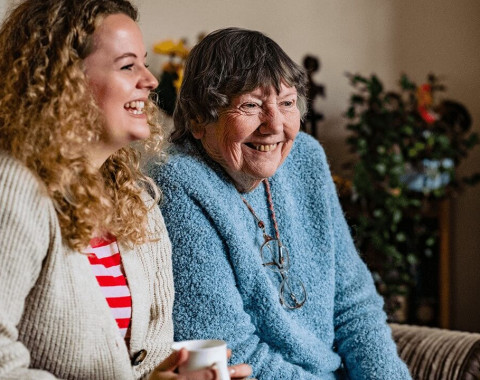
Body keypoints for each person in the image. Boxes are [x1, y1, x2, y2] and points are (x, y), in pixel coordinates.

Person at [0, 2, 251, 379]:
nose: (150, 81)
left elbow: (148, 360)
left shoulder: (138, 200)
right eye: (127, 65)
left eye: (145, 63)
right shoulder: (15, 186)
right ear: (64, 81)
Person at [149, 27, 412, 379]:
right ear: (199, 119)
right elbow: (230, 349)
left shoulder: (305, 157)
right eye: (251, 105)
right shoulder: (178, 181)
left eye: (287, 103)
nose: (274, 125)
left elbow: (355, 303)